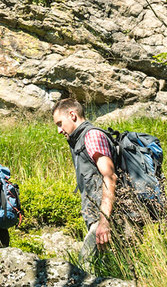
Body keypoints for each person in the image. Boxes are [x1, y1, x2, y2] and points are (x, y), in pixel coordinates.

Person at [52, 98, 138, 262]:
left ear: (73, 115)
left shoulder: (92, 137)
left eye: (59, 123)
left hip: (110, 219)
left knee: (84, 266)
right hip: (101, 221)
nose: (59, 130)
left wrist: (104, 222)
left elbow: (110, 177)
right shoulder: (78, 142)